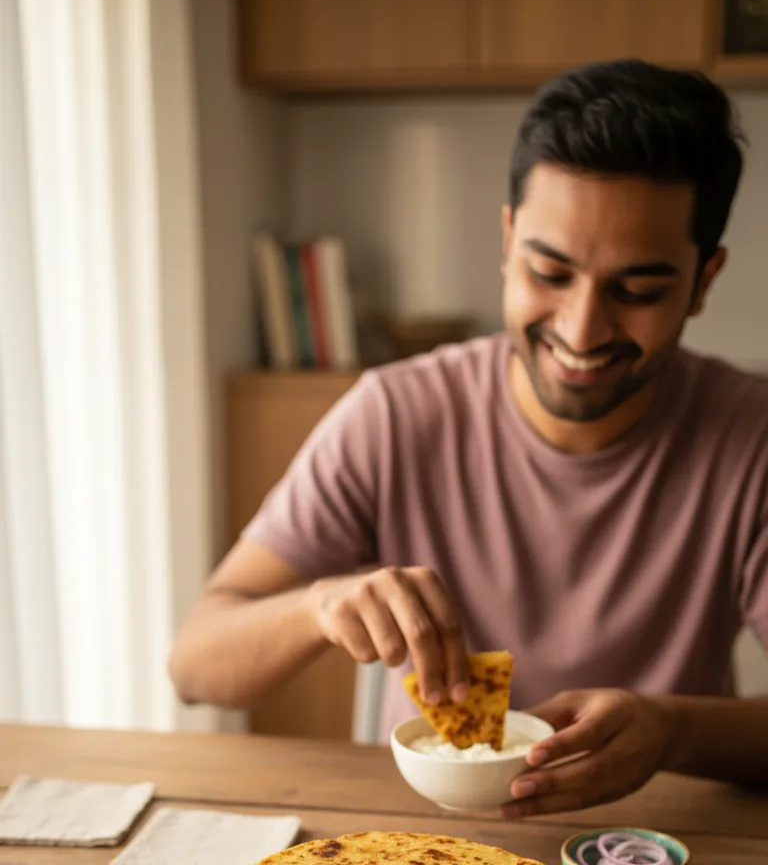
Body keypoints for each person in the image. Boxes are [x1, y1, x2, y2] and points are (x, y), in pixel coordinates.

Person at [171, 60, 768, 814]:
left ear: (704, 280)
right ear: (509, 237)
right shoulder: (394, 415)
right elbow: (195, 665)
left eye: (638, 290)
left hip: (662, 850)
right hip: (422, 859)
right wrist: (319, 604)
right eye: (550, 272)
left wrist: (671, 729)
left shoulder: (751, 440)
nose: (581, 328)